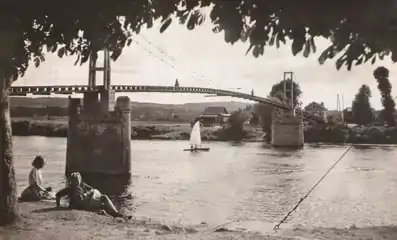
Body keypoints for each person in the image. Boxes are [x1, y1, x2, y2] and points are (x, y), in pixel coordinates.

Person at [56, 172, 131, 219]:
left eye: (77, 180)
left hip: (86, 203)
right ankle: (118, 214)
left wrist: (87, 194)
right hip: (79, 206)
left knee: (103, 206)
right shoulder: (69, 189)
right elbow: (58, 195)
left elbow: (92, 189)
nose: (76, 182)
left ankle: (117, 215)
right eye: (74, 181)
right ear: (71, 181)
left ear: (80, 180)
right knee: (104, 198)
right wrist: (58, 206)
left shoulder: (82, 185)